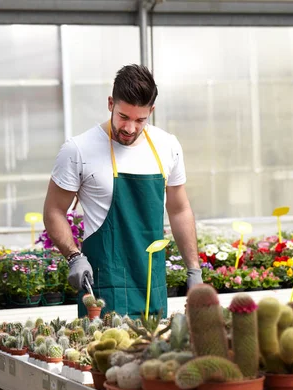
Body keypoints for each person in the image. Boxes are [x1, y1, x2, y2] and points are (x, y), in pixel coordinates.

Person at [43, 64, 202, 317]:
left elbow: (179, 210)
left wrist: (194, 270)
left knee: (155, 354)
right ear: (110, 104)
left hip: (153, 286)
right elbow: (54, 210)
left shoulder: (167, 146)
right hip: (104, 289)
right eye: (123, 117)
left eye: (140, 120)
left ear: (151, 111)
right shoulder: (78, 150)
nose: (129, 128)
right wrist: (74, 256)